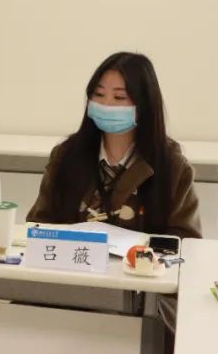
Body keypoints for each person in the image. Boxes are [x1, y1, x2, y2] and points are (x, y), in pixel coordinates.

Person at [28, 52, 201, 237]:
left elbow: (186, 240)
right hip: (75, 256)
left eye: (119, 97)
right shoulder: (66, 155)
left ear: (144, 105)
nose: (106, 104)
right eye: (99, 94)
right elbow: (39, 225)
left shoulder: (173, 167)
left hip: (140, 257)